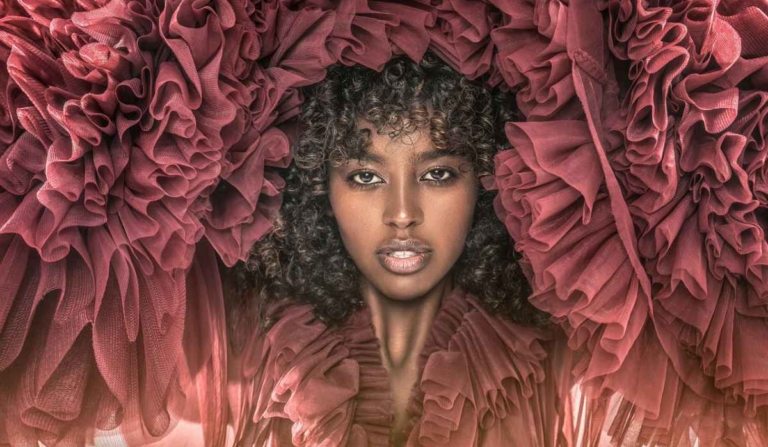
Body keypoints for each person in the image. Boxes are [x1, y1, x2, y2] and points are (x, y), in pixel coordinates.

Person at [223, 51, 575, 447]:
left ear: (485, 179)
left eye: (437, 174)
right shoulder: (260, 349)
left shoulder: (550, 363)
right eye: (367, 176)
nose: (403, 213)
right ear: (320, 188)